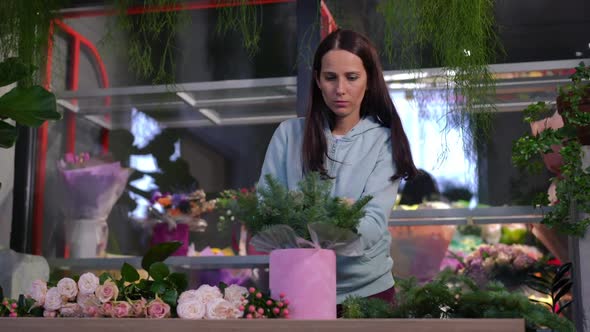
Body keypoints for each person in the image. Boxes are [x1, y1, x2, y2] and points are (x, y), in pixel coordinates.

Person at [258, 29, 418, 307]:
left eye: (352, 77)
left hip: (368, 292)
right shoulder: (287, 135)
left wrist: (306, 225)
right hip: (297, 286)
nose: (340, 89)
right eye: (331, 77)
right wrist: (341, 216)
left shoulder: (384, 141)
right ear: (318, 81)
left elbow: (372, 224)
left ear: (369, 80)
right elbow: (265, 209)